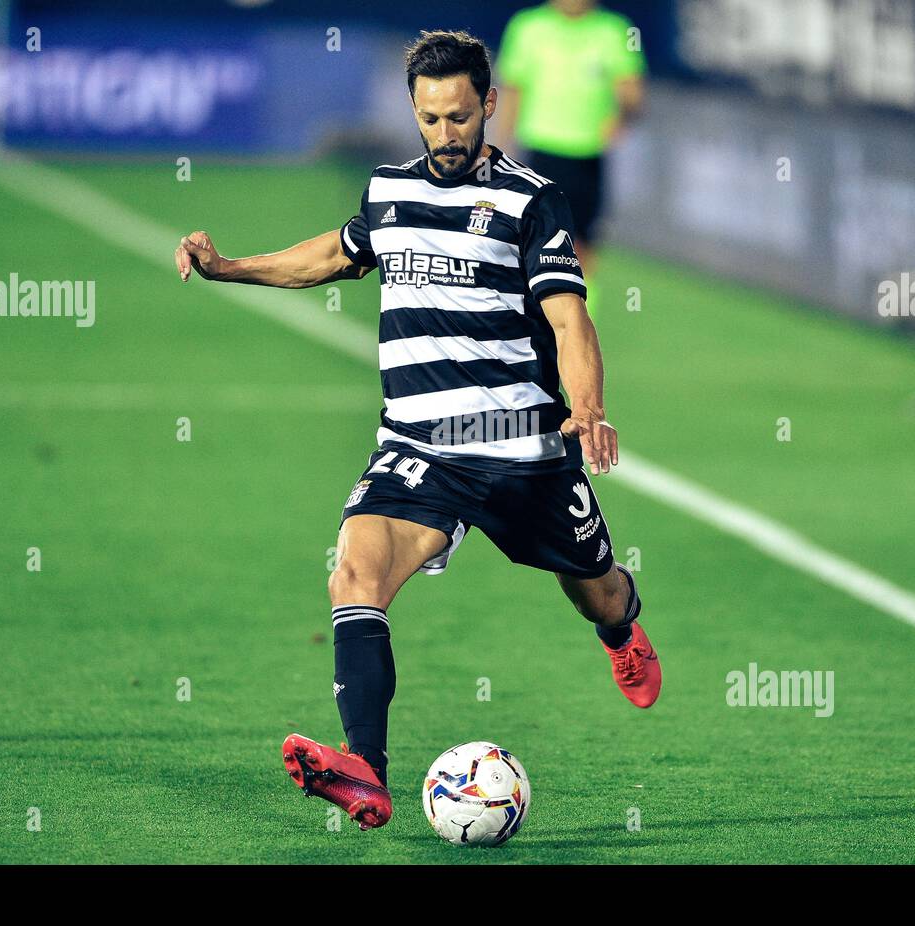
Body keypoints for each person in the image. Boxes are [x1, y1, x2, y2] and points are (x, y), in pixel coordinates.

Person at [173, 30, 660, 832]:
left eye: (460, 116)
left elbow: (569, 320)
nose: (445, 134)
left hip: (522, 449)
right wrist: (232, 267)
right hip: (418, 445)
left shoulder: (531, 202)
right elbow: (334, 253)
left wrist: (589, 408)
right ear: (413, 110)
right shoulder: (390, 190)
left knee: (597, 585)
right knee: (353, 574)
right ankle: (366, 765)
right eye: (430, 118)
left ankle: (621, 631)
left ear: (489, 105)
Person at [494, 0, 647, 319]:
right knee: (533, 247)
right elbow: (512, 93)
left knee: (583, 252)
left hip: (587, 158)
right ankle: (532, 327)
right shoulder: (527, 27)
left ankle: (579, 329)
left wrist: (622, 115)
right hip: (540, 155)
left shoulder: (614, 30)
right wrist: (498, 152)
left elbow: (632, 94)